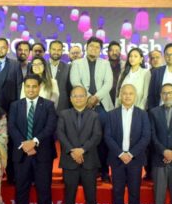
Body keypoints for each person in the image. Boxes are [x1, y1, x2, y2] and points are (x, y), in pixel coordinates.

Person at [6, 74, 57, 204]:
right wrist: (25, 144)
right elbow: (12, 127)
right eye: (28, 86)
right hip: (21, 154)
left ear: (39, 87)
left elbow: (50, 127)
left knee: (44, 190)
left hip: (42, 154)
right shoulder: (15, 105)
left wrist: (34, 142)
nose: (31, 89)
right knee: (21, 190)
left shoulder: (48, 105)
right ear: (24, 87)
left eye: (34, 86)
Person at [104, 84, 151, 204]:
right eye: (125, 93)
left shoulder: (143, 114)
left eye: (131, 93)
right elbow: (108, 137)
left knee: (134, 194)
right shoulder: (111, 115)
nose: (128, 96)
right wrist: (120, 153)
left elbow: (146, 137)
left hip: (135, 161)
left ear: (135, 96)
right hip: (117, 161)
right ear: (120, 96)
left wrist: (130, 154)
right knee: (117, 193)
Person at [56, 86, 103, 204]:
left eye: (81, 96)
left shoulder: (94, 115)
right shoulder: (64, 114)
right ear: (70, 99)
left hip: (89, 161)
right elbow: (60, 134)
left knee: (91, 196)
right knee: (69, 196)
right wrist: (72, 150)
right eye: (75, 96)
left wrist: (82, 150)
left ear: (86, 98)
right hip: (70, 161)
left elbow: (97, 136)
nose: (78, 98)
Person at [69, 37, 114, 182]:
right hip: (83, 106)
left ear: (100, 50)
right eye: (91, 46)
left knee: (103, 140)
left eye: (97, 47)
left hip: (102, 107)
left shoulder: (105, 63)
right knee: (84, 139)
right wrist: (88, 97)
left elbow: (108, 83)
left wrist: (96, 97)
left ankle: (104, 171)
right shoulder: (77, 63)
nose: (94, 49)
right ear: (86, 47)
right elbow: (75, 81)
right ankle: (87, 170)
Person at [48, 40, 71, 112]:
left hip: (62, 109)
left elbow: (69, 89)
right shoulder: (42, 66)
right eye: (54, 49)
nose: (56, 52)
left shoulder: (68, 67)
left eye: (59, 50)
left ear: (62, 51)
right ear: (49, 50)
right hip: (44, 108)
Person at [107, 41, 123, 105]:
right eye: (111, 50)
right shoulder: (102, 65)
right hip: (105, 100)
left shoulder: (125, 66)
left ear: (120, 52)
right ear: (108, 52)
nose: (114, 53)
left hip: (121, 100)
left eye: (117, 50)